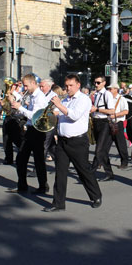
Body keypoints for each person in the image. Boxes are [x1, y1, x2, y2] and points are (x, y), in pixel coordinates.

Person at [43, 74, 102, 212]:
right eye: (66, 85)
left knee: (84, 171)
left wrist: (58, 105)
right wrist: (50, 111)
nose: (68, 88)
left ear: (78, 85)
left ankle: (96, 195)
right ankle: (58, 203)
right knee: (60, 172)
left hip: (78, 142)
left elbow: (74, 115)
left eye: (70, 85)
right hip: (63, 141)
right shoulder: (65, 100)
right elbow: (58, 113)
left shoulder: (83, 100)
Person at [9, 74, 49, 194]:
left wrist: (20, 108)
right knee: (21, 158)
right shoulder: (31, 96)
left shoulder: (39, 97)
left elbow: (35, 116)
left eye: (26, 85)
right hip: (31, 129)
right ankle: (22, 185)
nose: (25, 88)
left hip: (37, 130)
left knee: (38, 159)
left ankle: (43, 186)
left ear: (33, 83)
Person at [102, 83, 130, 173]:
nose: (109, 91)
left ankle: (124, 161)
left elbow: (126, 111)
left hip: (118, 123)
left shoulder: (121, 99)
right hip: (108, 123)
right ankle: (101, 161)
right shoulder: (107, 98)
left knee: (120, 144)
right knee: (105, 145)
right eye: (108, 89)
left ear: (116, 89)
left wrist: (115, 115)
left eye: (111, 89)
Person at [90, 75, 113, 179]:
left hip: (104, 122)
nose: (96, 84)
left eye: (98, 82)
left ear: (104, 83)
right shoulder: (96, 94)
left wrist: (97, 110)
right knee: (102, 150)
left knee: (99, 150)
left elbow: (112, 111)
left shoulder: (107, 94)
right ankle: (109, 173)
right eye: (95, 82)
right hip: (96, 121)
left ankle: (90, 173)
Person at [1, 82, 25, 166]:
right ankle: (8, 158)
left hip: (15, 118)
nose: (11, 88)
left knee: (16, 139)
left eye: (13, 86)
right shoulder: (6, 95)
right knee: (6, 139)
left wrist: (11, 99)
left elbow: (19, 103)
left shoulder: (18, 95)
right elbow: (3, 107)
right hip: (7, 118)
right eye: (10, 86)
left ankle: (23, 152)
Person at [39, 78, 57, 160]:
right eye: (40, 86)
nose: (40, 88)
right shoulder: (40, 94)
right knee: (51, 146)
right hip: (41, 122)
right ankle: (60, 162)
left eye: (42, 86)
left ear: (49, 86)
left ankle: (38, 170)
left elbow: (56, 111)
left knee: (43, 145)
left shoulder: (53, 96)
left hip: (49, 123)